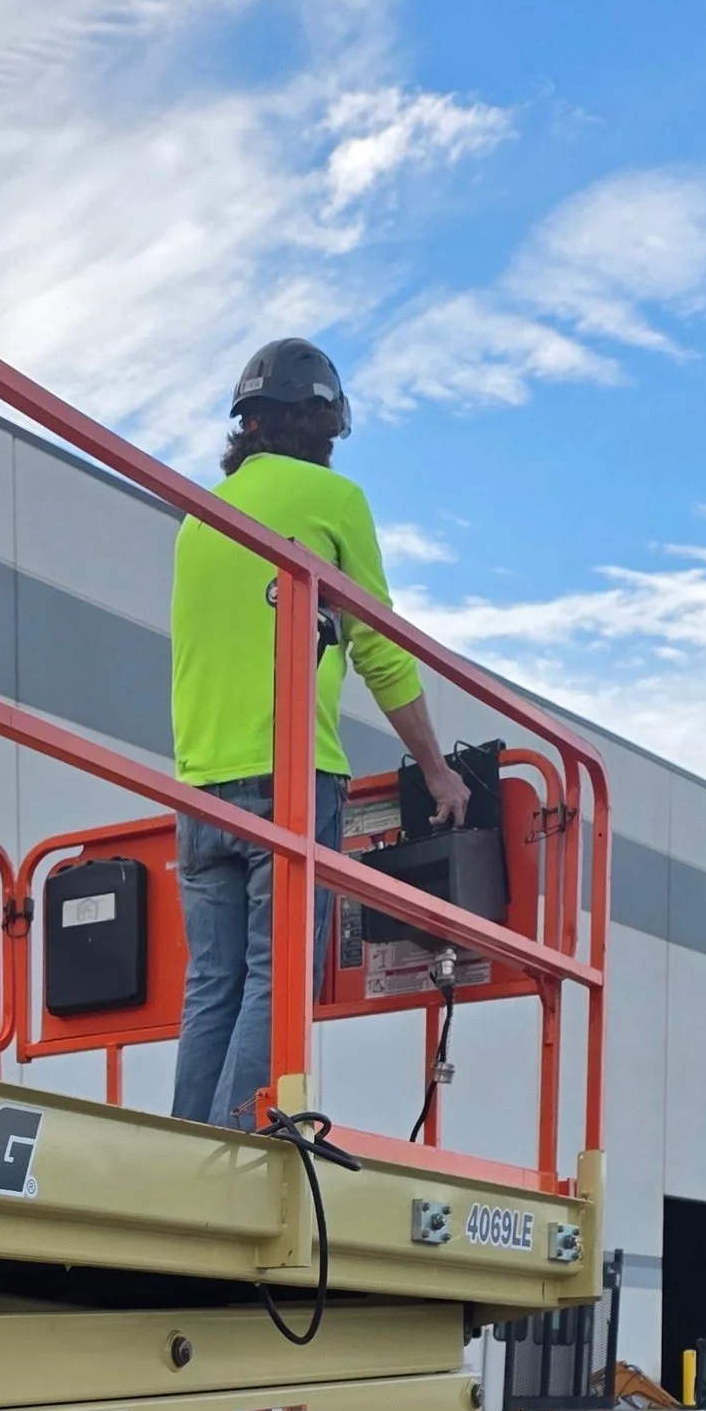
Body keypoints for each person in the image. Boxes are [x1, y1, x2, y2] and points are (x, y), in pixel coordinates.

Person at [168, 338, 471, 1131]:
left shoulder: (200, 516)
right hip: (292, 780)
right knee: (279, 974)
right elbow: (379, 647)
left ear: (249, 425)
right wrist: (437, 770)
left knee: (212, 983)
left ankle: (183, 1142)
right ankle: (238, 1145)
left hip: (198, 787)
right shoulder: (334, 502)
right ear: (324, 425)